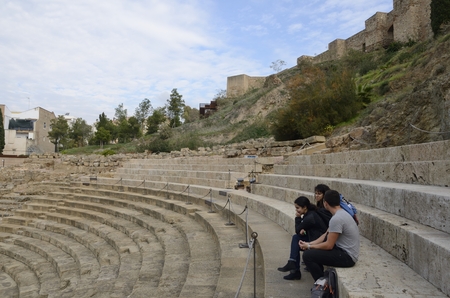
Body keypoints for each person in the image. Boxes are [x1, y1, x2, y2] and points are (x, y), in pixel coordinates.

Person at [300, 189, 360, 282]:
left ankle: (322, 284)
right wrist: (309, 244)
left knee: (308, 256)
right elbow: (325, 235)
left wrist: (309, 247)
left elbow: (328, 245)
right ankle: (323, 280)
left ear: (325, 203)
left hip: (347, 257)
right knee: (312, 252)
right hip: (344, 252)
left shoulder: (337, 219)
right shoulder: (340, 214)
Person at [277, 196, 328, 280]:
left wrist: (297, 218)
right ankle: (293, 265)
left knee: (296, 238)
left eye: (298, 208)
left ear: (305, 207)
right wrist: (304, 229)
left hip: (318, 241)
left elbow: (297, 229)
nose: (296, 210)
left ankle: (294, 267)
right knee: (296, 238)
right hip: (315, 237)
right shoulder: (310, 213)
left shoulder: (310, 217)